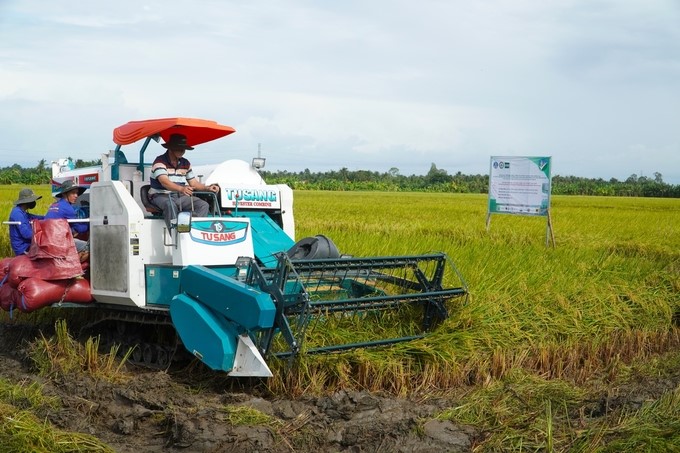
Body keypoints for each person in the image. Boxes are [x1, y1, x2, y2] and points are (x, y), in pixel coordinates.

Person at [148, 133, 219, 229]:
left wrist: (208, 188)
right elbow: (165, 182)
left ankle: (195, 231)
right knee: (170, 205)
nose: (182, 151)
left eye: (184, 149)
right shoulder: (160, 162)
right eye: (179, 148)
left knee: (203, 205)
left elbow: (193, 183)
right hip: (160, 195)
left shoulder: (186, 163)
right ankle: (175, 236)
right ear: (170, 148)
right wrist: (181, 189)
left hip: (179, 196)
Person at [44, 180, 89, 254]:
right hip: (58, 242)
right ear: (65, 194)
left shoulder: (54, 205)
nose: (76, 196)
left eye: (77, 193)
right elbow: (79, 229)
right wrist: (89, 224)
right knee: (89, 247)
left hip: (47, 240)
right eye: (73, 193)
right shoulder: (68, 208)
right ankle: (75, 265)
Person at [8, 188, 44, 256]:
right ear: (27, 202)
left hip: (27, 244)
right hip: (23, 248)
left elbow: (34, 217)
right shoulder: (17, 213)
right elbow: (26, 234)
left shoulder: (23, 212)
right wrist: (43, 236)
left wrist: (48, 217)